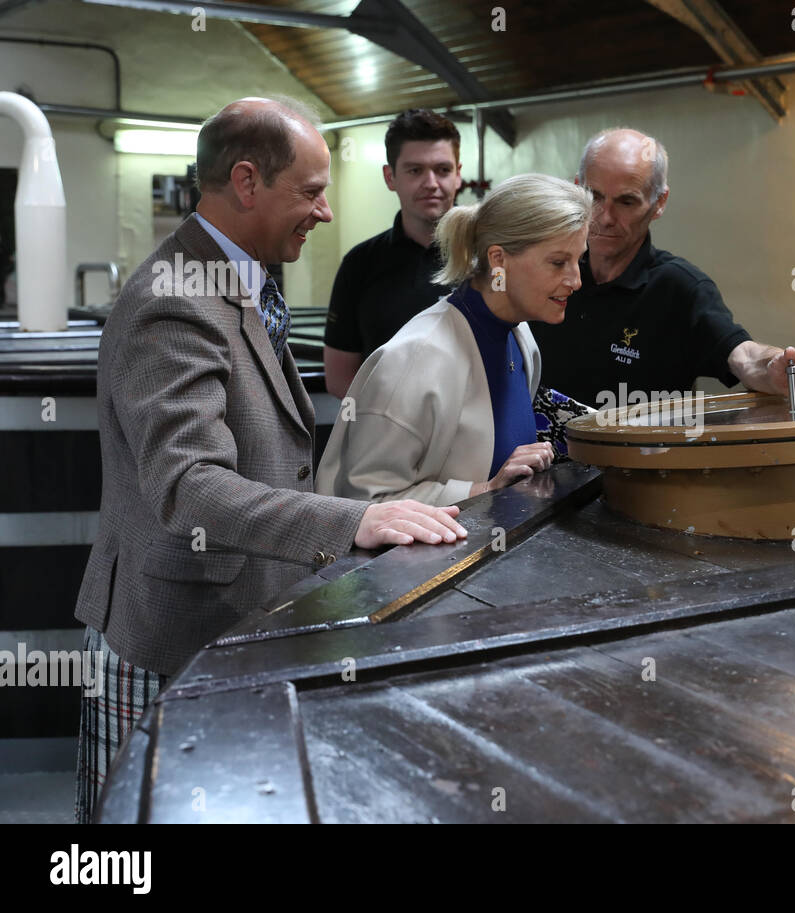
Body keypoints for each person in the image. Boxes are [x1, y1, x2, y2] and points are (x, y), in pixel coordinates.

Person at [73, 98, 467, 822]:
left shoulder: (240, 275)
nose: (323, 212)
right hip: (170, 627)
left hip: (233, 617)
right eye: (312, 192)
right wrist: (356, 520)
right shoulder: (175, 302)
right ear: (247, 182)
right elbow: (189, 486)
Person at [529, 128, 795, 412]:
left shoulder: (679, 288)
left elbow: (742, 355)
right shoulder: (545, 270)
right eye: (594, 196)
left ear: (660, 202)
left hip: (634, 475)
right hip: (544, 473)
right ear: (575, 189)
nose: (605, 217)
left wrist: (777, 365)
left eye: (626, 202)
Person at [317, 173, 590, 506]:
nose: (575, 280)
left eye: (579, 260)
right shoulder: (415, 360)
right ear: (498, 260)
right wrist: (484, 490)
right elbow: (364, 501)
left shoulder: (520, 338)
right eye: (559, 262)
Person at [323, 109, 463, 398]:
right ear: (390, 177)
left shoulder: (488, 258)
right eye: (415, 170)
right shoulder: (359, 264)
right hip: (385, 436)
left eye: (443, 170)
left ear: (458, 174)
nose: (431, 183)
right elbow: (338, 377)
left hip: (478, 437)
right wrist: (391, 427)